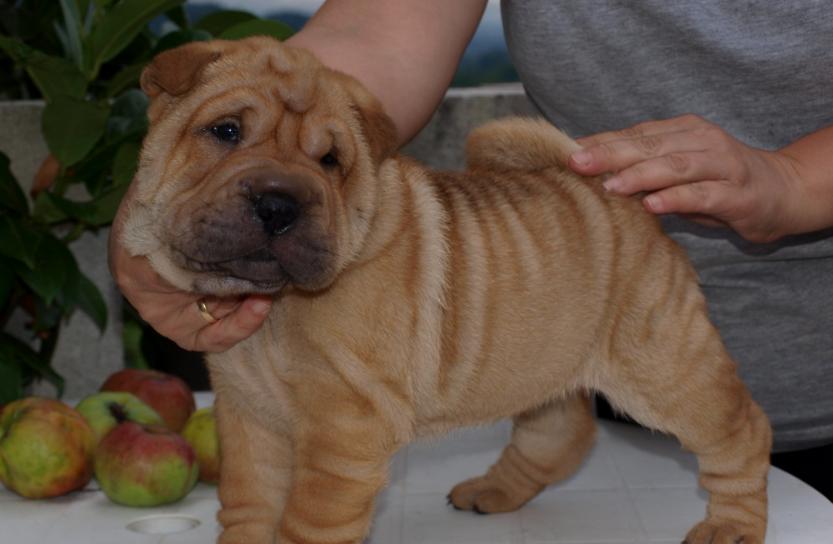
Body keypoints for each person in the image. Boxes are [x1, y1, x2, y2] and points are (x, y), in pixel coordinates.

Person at [109, 0, 833, 497]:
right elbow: (374, 39)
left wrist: (797, 178)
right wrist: (167, 198)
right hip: (582, 319)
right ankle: (543, 450)